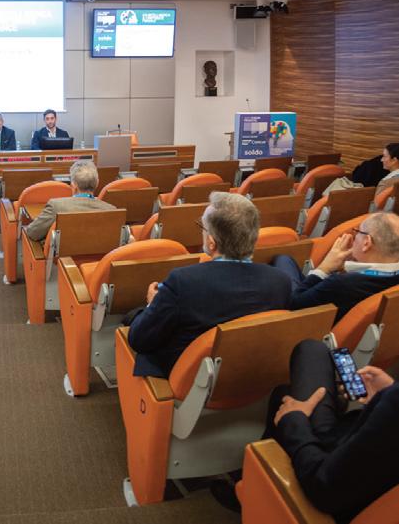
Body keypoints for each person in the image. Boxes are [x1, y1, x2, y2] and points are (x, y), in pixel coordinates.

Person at [127, 192, 291, 377]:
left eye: (202, 226)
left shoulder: (183, 282)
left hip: (186, 380)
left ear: (212, 243)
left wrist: (152, 304)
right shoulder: (280, 282)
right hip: (248, 376)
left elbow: (139, 340)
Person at [268, 339, 399, 522]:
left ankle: (258, 484)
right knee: (310, 350)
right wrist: (385, 396)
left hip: (331, 485)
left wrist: (293, 420)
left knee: (283, 397)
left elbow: (323, 489)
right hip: (353, 452)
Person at [274, 212, 399, 320]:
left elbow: (294, 304)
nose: (354, 238)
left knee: (282, 259)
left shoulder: (342, 283)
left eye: (357, 232)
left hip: (310, 321)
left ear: (366, 243)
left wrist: (324, 268)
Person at [23, 159, 114, 242]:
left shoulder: (56, 206)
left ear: (73, 186)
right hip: (101, 255)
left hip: (60, 255)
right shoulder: (111, 210)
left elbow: (32, 233)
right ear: (97, 183)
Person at [325, 143, 399, 194]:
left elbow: (375, 205)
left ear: (394, 160)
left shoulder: (386, 183)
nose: (381, 160)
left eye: (384, 156)